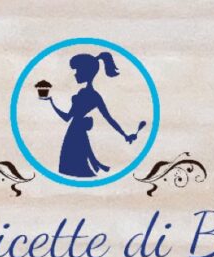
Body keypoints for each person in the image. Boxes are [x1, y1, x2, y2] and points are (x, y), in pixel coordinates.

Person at [36, 51, 144, 180]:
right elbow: (67, 118)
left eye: (77, 71)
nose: (75, 74)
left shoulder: (94, 96)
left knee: (75, 168)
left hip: (76, 132)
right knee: (73, 167)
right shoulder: (83, 93)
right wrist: (52, 103)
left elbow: (109, 118)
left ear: (86, 73)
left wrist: (124, 134)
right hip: (74, 132)